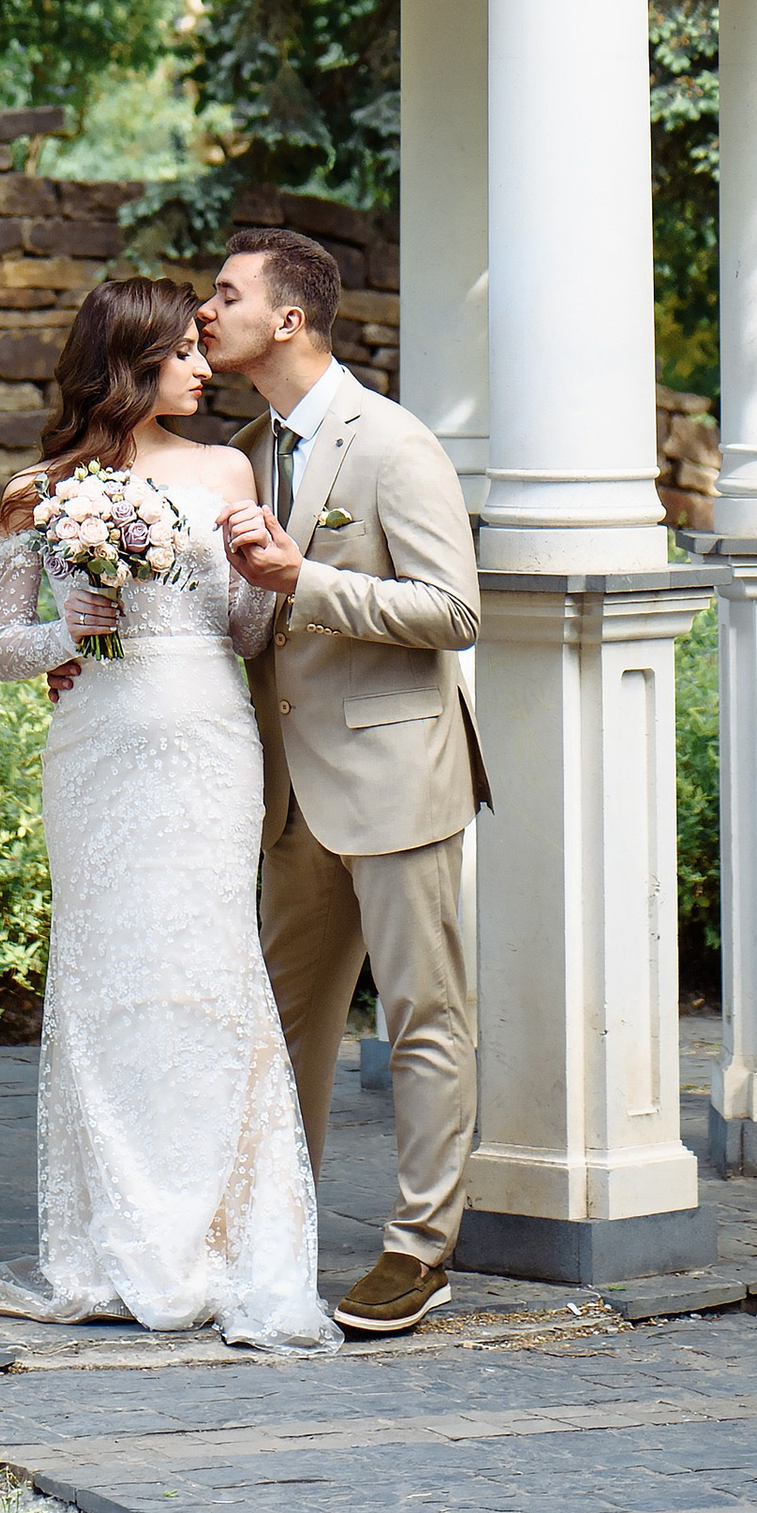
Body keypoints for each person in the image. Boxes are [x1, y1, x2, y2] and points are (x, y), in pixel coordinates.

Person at [0, 274, 339, 1350]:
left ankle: (220, 1236)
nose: (203, 366)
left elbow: (246, 631)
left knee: (208, 970)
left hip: (209, 742)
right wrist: (72, 629)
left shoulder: (225, 467)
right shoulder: (40, 491)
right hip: (98, 752)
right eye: (180, 353)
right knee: (108, 975)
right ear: (129, 363)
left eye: (199, 349)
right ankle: (113, 1236)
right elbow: (2, 648)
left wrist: (265, 573)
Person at [203, 230, 486, 1340]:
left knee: (423, 1015)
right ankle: (273, 1235)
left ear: (287, 319)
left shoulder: (394, 445)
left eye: (225, 293)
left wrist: (306, 578)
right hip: (288, 794)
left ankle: (420, 1251)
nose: (205, 308)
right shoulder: (246, 446)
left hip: (397, 773)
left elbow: (453, 612)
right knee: (281, 1026)